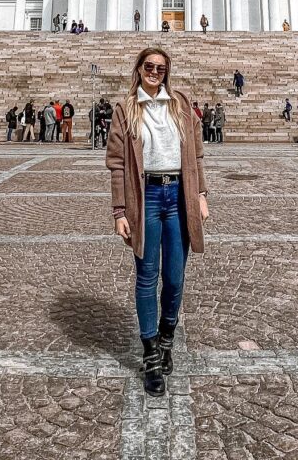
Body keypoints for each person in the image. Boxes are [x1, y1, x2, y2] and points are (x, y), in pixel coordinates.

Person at [106, 45, 209, 396]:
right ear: (138, 69)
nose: (154, 72)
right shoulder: (126, 108)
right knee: (147, 275)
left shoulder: (179, 103)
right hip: (145, 197)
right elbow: (117, 164)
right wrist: (119, 211)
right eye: (149, 66)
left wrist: (201, 194)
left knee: (176, 277)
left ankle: (167, 334)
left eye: (160, 68)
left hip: (178, 195)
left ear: (167, 72)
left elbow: (195, 153)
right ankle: (151, 352)